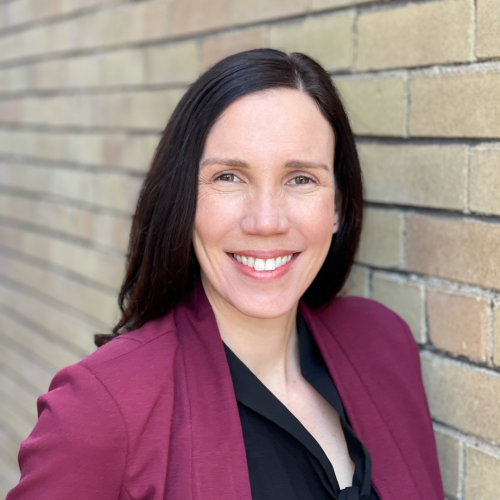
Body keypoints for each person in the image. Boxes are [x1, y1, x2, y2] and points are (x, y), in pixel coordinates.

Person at [6, 49, 444, 500]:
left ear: (337, 206)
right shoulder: (100, 407)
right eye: (230, 177)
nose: (266, 220)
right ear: (184, 200)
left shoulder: (382, 343)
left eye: (300, 179)